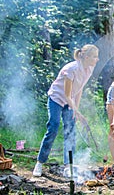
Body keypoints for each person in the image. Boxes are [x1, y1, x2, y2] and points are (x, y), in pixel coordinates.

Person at [33, 44, 99, 177]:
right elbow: (67, 95)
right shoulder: (71, 69)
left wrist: (76, 109)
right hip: (56, 99)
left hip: (70, 102)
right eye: (94, 56)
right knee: (53, 127)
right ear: (86, 57)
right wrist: (78, 112)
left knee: (70, 132)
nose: (97, 59)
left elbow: (79, 89)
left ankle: (68, 166)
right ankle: (39, 163)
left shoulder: (89, 68)